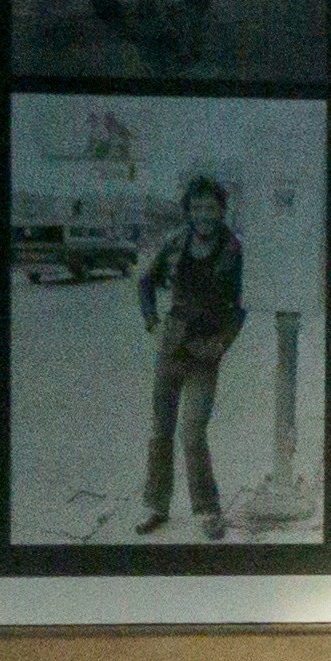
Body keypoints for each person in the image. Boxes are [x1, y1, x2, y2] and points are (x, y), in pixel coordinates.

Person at [132, 168, 246, 538]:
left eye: (210, 207)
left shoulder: (232, 249)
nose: (203, 214)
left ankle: (208, 511)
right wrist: (152, 322)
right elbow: (145, 282)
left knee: (193, 432)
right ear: (188, 210)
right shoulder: (175, 242)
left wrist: (222, 344)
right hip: (170, 348)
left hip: (204, 354)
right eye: (196, 207)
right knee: (160, 431)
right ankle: (156, 506)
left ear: (221, 210)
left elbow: (240, 308)